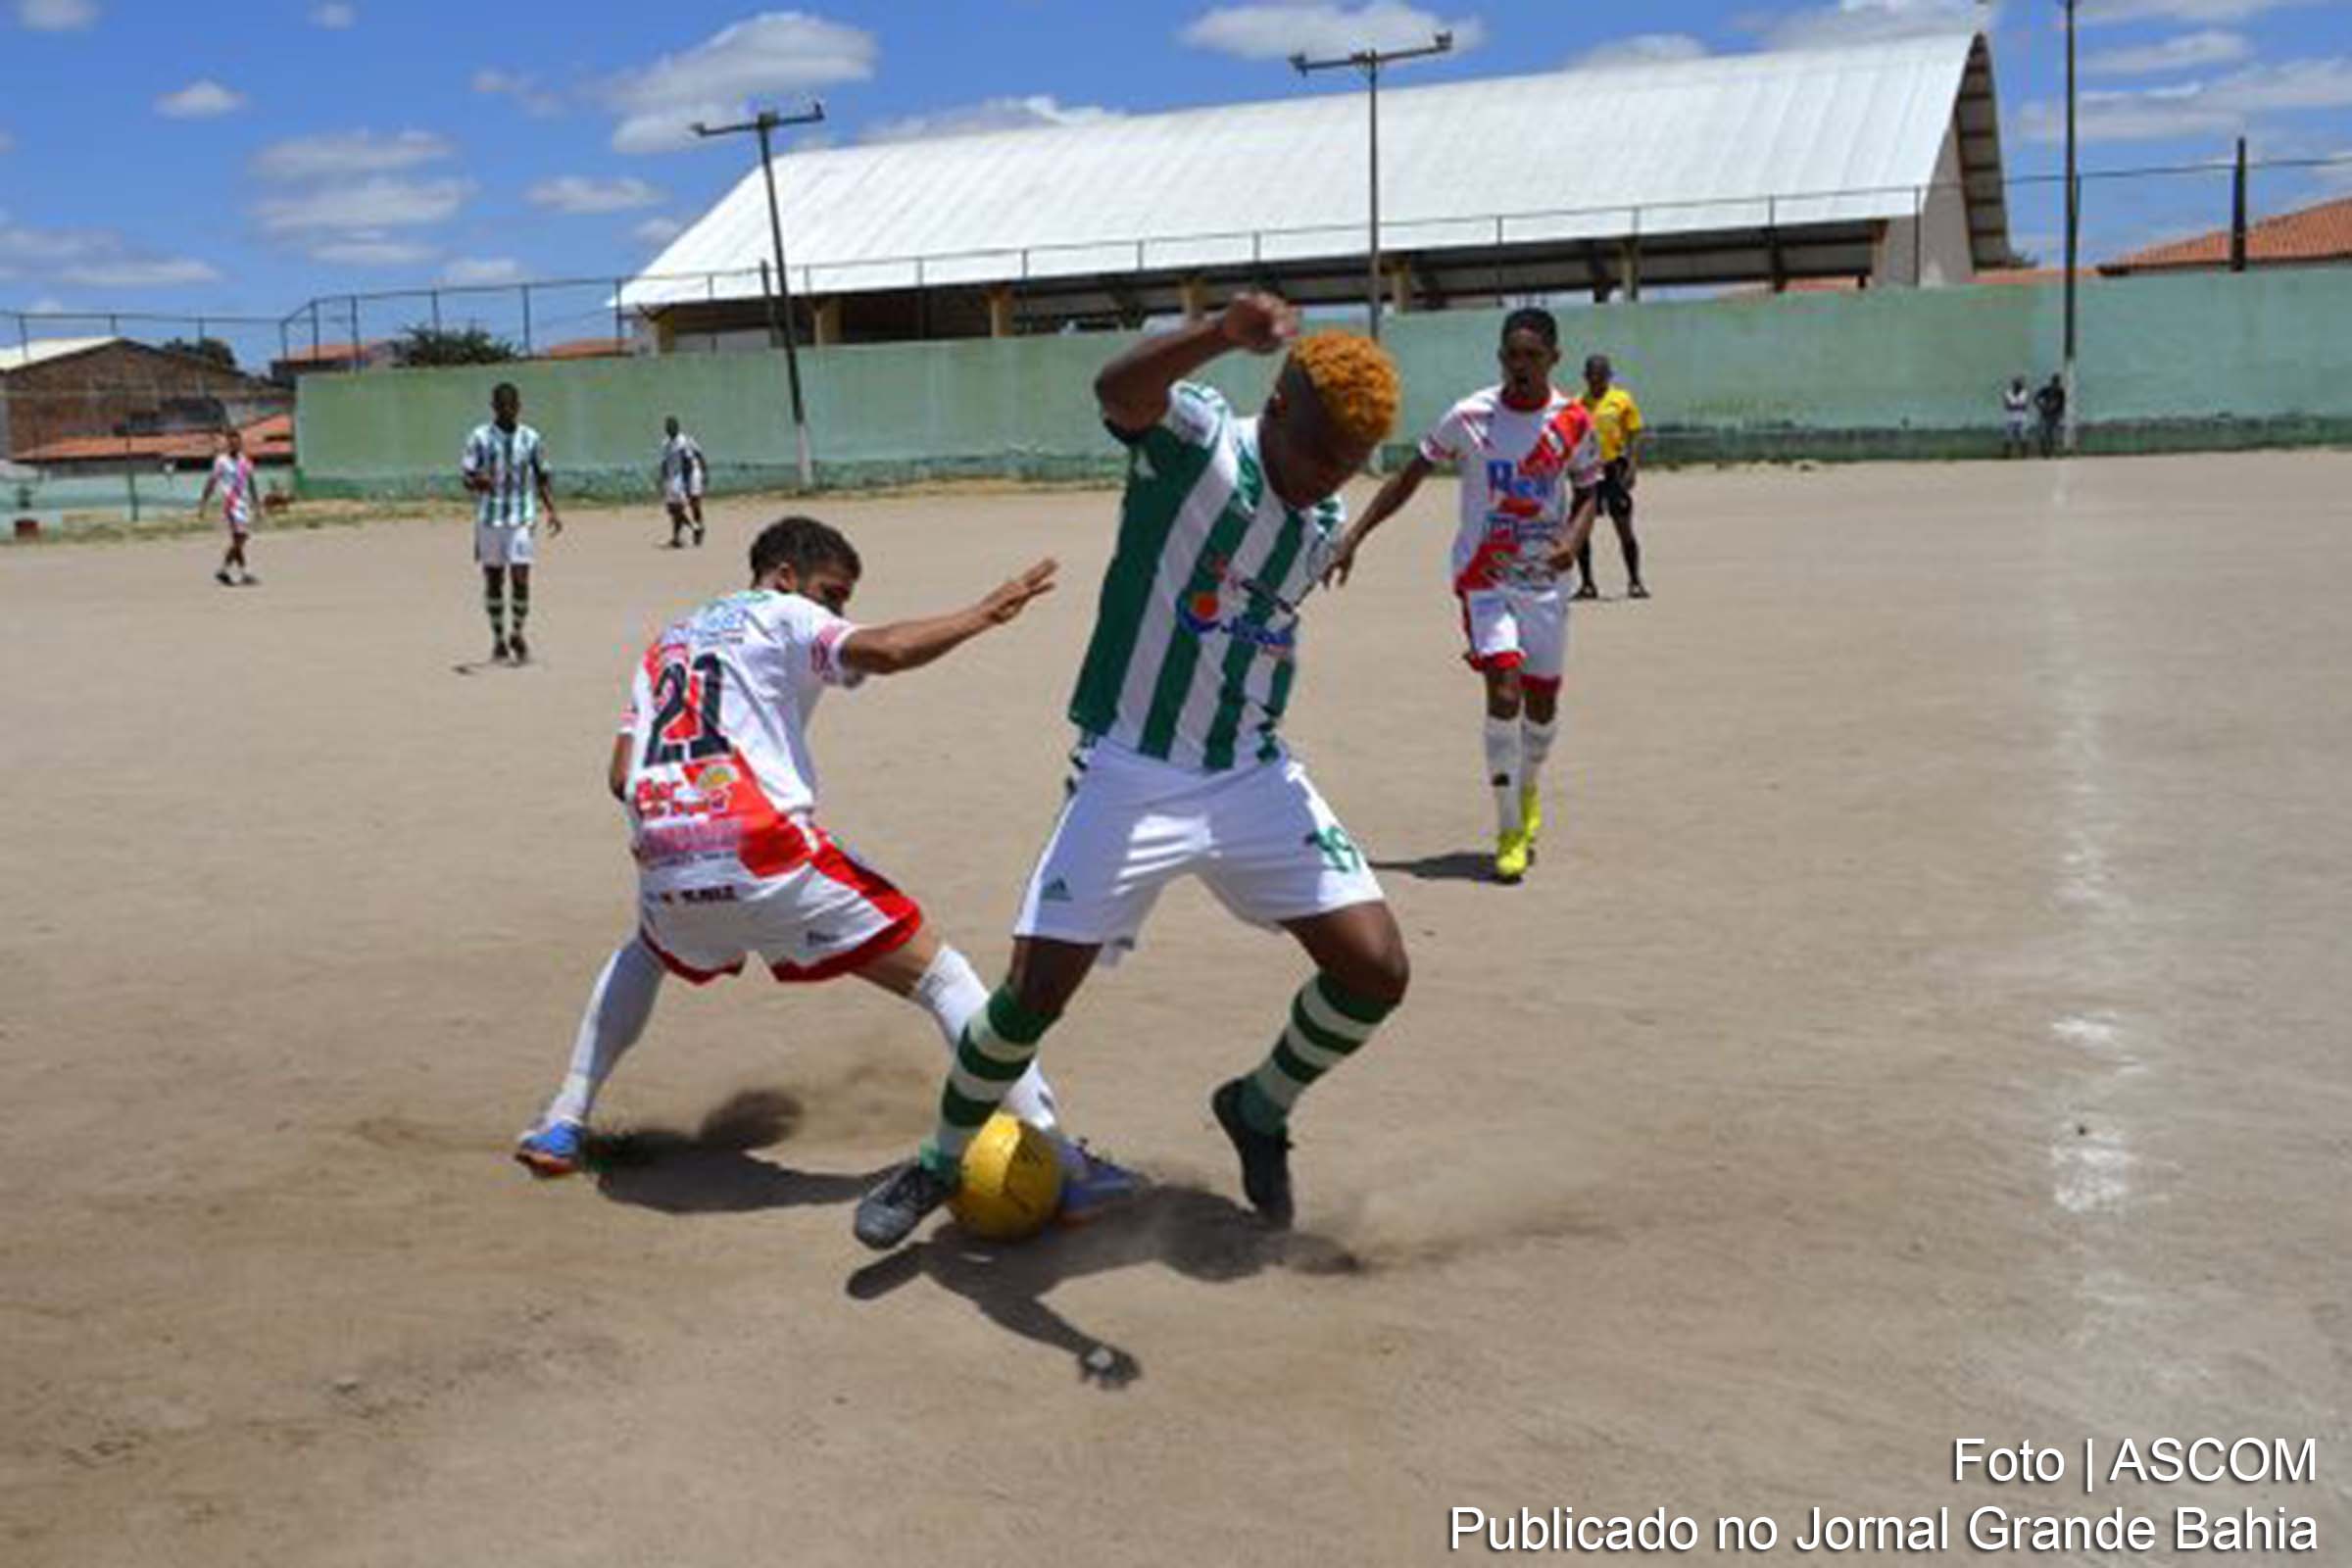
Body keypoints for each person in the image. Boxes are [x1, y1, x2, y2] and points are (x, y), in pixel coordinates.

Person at [853, 293, 1412, 1250]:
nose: (1327, 478)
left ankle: (1258, 1105)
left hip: (1252, 775)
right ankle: (941, 1161)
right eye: (1320, 453)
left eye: (1346, 468)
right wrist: (1216, 334)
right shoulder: (1198, 442)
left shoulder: (1317, 507)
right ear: (1275, 405)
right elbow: (1118, 389)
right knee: (1035, 990)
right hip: (1133, 769)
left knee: (1375, 968)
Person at [514, 515, 1135, 1216]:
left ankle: (563, 1122)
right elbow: (889, 650)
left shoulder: (667, 643)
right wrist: (986, 613)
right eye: (832, 594)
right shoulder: (781, 613)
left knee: (647, 951)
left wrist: (677, 822)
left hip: (665, 848)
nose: (838, 613)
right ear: (783, 576)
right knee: (942, 975)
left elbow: (621, 772)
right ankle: (1066, 1164)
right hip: (763, 847)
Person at [1321, 307, 1601, 884]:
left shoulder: (1573, 422)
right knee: (1504, 693)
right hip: (1485, 579)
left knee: (1542, 708)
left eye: (1531, 356)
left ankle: (1527, 791)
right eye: (1510, 356)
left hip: (1544, 585)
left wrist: (1572, 539)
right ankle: (1506, 829)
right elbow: (1410, 476)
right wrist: (1356, 535)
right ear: (1500, 358)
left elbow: (1589, 490)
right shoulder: (1470, 416)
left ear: (1554, 358)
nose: (1519, 366)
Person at [462, 382, 561, 664]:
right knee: (494, 580)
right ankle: (498, 639)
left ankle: (517, 632)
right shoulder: (479, 437)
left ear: (519, 406)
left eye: (511, 406)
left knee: (520, 578)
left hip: (521, 517)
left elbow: (542, 475)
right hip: (489, 519)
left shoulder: (531, 438)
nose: (507, 411)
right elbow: (466, 476)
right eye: (501, 406)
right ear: (493, 407)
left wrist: (552, 509)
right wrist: (477, 481)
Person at [1572, 354, 1646, 601]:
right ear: (1585, 377)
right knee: (1581, 529)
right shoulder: (1577, 404)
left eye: (1601, 375)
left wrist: (1632, 466)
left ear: (1609, 376)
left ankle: (1635, 581)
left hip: (1614, 468)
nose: (1596, 379)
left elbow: (1634, 433)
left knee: (1623, 525)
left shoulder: (1621, 400)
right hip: (1588, 472)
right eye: (1592, 375)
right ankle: (1587, 584)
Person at [197, 426, 259, 586]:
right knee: (241, 538)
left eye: (237, 442)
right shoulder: (221, 461)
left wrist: (256, 503)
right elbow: (212, 481)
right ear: (228, 444)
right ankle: (224, 569)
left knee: (239, 539)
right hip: (230, 505)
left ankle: (242, 573)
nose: (234, 445)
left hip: (243, 504)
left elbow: (251, 483)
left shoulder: (245, 461)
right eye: (231, 442)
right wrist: (203, 502)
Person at [659, 416, 707, 549]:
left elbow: (690, 462)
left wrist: (689, 483)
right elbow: (664, 463)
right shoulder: (665, 443)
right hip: (671, 479)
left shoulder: (684, 441)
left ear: (677, 427)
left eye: (672, 427)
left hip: (681, 479)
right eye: (667, 427)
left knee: (688, 506)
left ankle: (681, 536)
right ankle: (694, 528)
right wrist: (662, 479)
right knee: (672, 509)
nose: (669, 429)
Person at [2034, 373, 2066, 459]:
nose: (2056, 384)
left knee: (2053, 434)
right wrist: (2041, 406)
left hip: (2055, 415)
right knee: (2043, 433)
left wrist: (2060, 414)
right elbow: (2036, 398)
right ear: (2052, 382)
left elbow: (2062, 404)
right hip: (2045, 414)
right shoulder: (2046, 390)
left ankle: (2052, 452)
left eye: (2057, 382)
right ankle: (2044, 452)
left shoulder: (2060, 391)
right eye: (2055, 381)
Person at [2002, 377, 2032, 459]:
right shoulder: (2008, 393)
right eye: (2017, 384)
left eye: (2020, 385)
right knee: (2008, 436)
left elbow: (2025, 406)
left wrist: (2015, 406)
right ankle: (2007, 455)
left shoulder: (2025, 393)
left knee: (2023, 436)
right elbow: (2007, 405)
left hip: (2022, 418)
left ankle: (2024, 455)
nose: (2018, 386)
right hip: (2010, 418)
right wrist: (2017, 405)